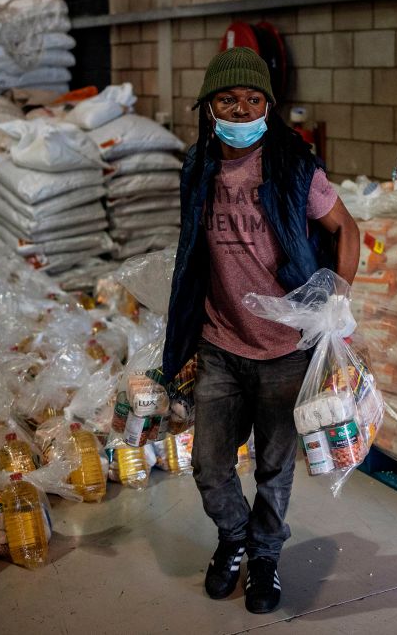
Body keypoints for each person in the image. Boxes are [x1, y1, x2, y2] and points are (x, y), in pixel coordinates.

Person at [160, 47, 359, 614]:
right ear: (208, 107)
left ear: (268, 107)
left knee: (274, 468)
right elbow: (192, 254)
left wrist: (335, 303)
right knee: (208, 466)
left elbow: (346, 229)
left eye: (253, 100)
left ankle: (266, 556)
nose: (242, 110)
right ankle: (234, 538)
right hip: (221, 344)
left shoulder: (296, 168)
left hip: (285, 349)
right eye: (229, 100)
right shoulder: (198, 167)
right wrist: (181, 332)